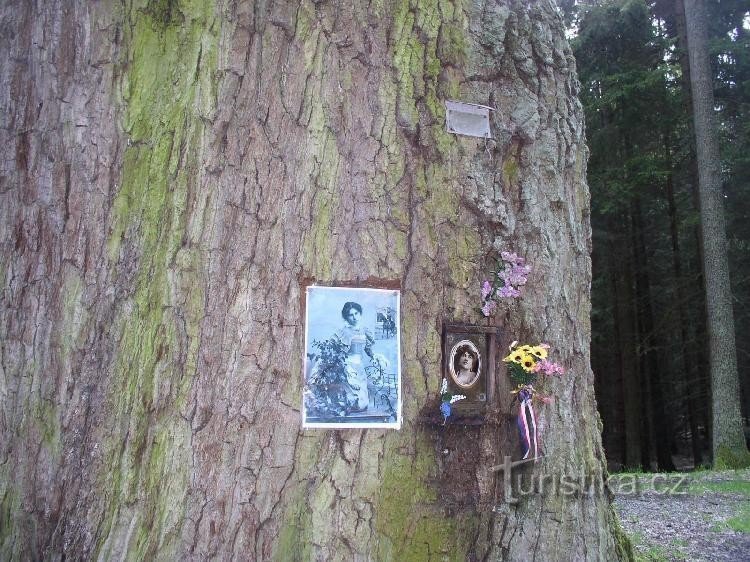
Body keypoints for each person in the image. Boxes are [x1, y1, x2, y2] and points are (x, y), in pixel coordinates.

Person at [336, 301, 375, 413]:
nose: (354, 317)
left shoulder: (364, 330)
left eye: (356, 313)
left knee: (363, 404)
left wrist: (375, 356)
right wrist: (346, 369)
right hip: (348, 366)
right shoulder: (343, 332)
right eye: (350, 315)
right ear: (346, 317)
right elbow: (340, 354)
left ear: (360, 313)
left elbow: (368, 349)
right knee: (355, 403)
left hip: (360, 367)